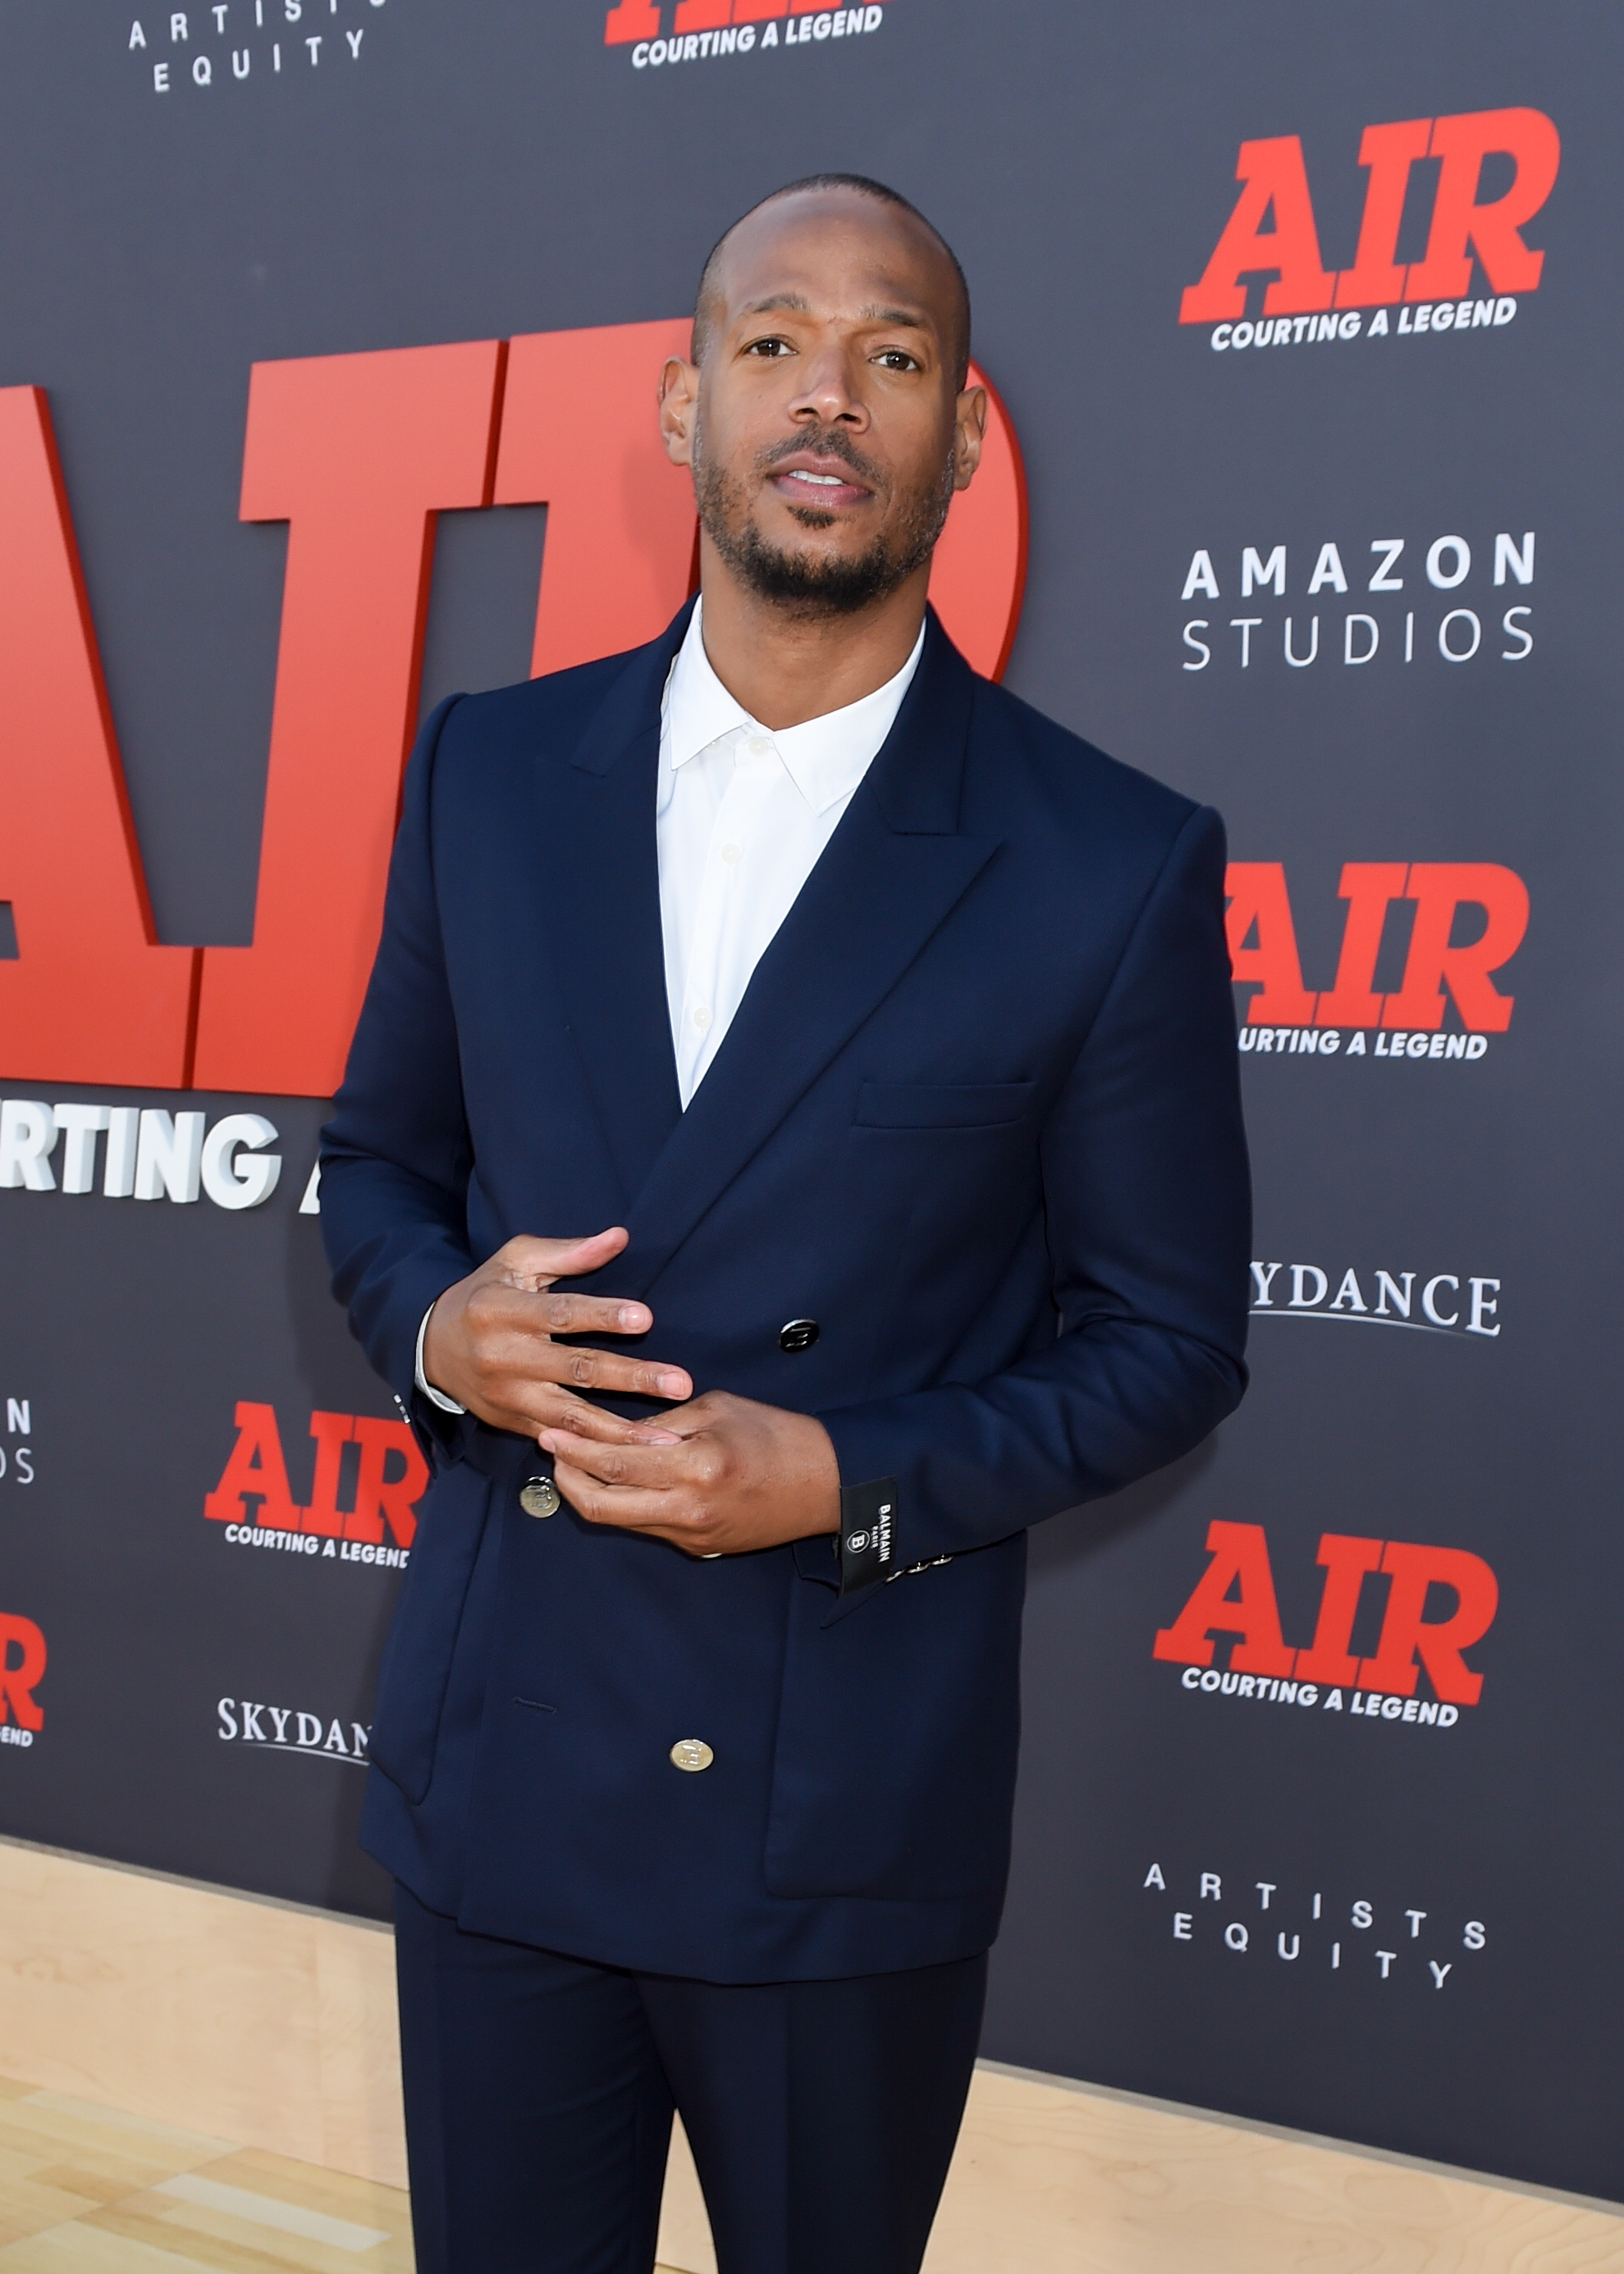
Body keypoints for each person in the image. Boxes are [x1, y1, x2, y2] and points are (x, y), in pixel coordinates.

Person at [320, 172, 1250, 2274]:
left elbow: (1171, 1340)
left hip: (836, 1808)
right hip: (507, 1771)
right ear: (685, 407)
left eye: (891, 356)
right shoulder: (489, 771)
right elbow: (374, 1163)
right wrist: (437, 1333)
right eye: (772, 346)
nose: (827, 396)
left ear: (966, 433)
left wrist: (845, 1476)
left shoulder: (1103, 859)